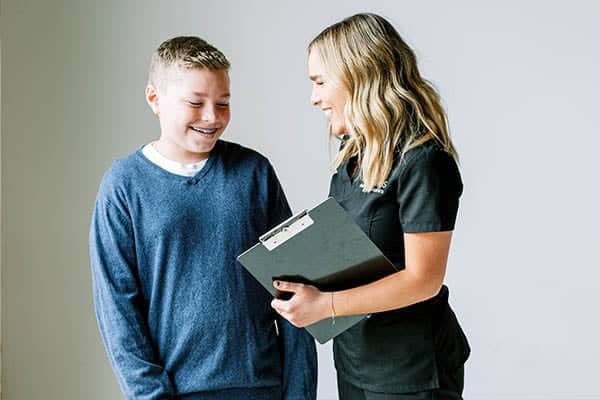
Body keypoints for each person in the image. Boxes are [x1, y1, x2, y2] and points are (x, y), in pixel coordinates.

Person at [89, 36, 317, 400]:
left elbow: (297, 288)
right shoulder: (123, 186)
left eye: (223, 103)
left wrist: (300, 392)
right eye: (196, 103)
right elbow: (117, 308)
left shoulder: (254, 172)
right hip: (175, 392)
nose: (212, 117)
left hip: (262, 388)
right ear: (155, 99)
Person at [271, 13, 470, 400]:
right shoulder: (351, 160)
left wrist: (326, 304)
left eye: (319, 82)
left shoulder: (423, 161)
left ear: (358, 74)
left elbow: (423, 280)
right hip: (356, 359)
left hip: (411, 372)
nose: (314, 98)